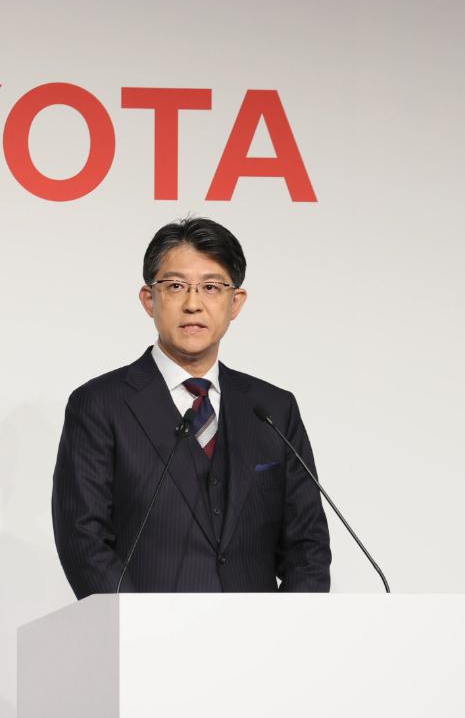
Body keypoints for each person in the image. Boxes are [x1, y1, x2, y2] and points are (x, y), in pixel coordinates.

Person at [51, 217, 331, 598]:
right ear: (148, 299)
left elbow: (308, 548)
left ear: (236, 302)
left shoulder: (273, 409)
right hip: (145, 633)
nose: (193, 304)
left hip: (258, 634)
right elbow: (83, 540)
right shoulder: (100, 405)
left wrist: (283, 628)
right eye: (176, 286)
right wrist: (139, 626)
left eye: (211, 287)